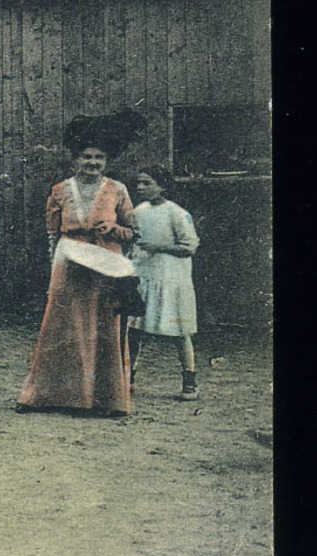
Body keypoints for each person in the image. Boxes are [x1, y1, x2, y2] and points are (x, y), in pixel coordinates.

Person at [17, 113, 142, 416]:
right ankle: (47, 396)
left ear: (106, 161)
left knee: (105, 329)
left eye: (99, 158)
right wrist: (53, 267)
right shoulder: (60, 190)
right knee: (59, 327)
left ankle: (106, 400)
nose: (92, 163)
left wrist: (113, 232)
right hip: (69, 262)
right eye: (86, 157)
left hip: (107, 263)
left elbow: (134, 232)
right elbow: (51, 234)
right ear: (75, 159)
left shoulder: (118, 189)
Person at [128, 165, 201, 402]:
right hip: (145, 278)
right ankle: (127, 379)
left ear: (163, 186)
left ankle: (189, 382)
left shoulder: (177, 213)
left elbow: (189, 246)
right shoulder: (138, 211)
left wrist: (158, 247)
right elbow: (136, 243)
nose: (140, 187)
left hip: (171, 280)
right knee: (133, 330)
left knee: (180, 331)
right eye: (139, 183)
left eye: (147, 183)